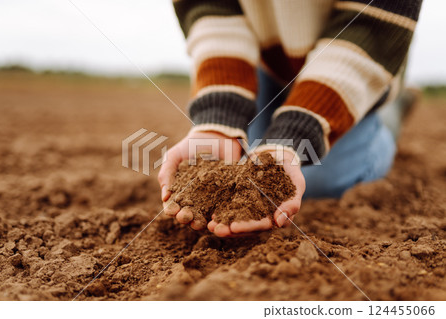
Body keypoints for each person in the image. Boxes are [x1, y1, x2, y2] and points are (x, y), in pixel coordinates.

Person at [158, 0, 423, 237]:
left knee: (320, 177)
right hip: (265, 61)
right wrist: (218, 124)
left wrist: (292, 136)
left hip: (357, 59)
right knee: (238, 158)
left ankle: (391, 110)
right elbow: (210, 11)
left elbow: (371, 27)